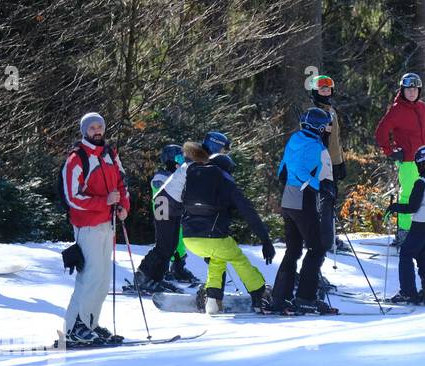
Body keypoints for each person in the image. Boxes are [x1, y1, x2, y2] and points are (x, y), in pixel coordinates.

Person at [60, 113, 131, 346]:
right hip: (87, 225)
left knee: (102, 279)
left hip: (108, 224)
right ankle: (75, 327)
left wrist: (123, 206)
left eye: (100, 126)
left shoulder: (110, 153)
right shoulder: (77, 158)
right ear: (84, 131)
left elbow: (121, 183)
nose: (97, 130)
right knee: (89, 276)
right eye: (92, 127)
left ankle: (90, 323)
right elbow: (73, 197)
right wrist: (105, 202)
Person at [178, 144, 276, 312]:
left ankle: (213, 299)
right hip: (214, 239)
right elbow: (249, 214)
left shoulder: (195, 180)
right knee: (238, 258)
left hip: (189, 239)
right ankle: (260, 293)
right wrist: (266, 240)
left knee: (218, 259)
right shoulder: (226, 184)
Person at [269, 107, 337, 315]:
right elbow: (300, 173)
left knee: (294, 250)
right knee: (316, 248)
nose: (328, 128)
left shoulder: (295, 139)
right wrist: (320, 185)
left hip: (288, 200)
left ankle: (280, 297)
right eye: (326, 125)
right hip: (302, 200)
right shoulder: (316, 147)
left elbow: (283, 171)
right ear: (319, 127)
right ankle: (306, 298)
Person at [375, 72, 425, 244]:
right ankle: (404, 232)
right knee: (409, 196)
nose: (411, 92)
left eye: (415, 89)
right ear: (402, 90)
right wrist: (390, 151)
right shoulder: (396, 110)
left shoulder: (422, 108)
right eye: (408, 89)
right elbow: (381, 132)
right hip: (410, 161)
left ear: (419, 90)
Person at [382, 144, 425, 303]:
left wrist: (394, 207)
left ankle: (408, 292)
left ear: (422, 163)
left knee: (406, 255)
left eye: (418, 163)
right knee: (423, 255)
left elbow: (412, 207)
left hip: (421, 224)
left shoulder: (422, 182)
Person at [130, 144, 189, 293]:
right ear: (170, 159)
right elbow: (162, 194)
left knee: (171, 246)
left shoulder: (174, 175)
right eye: (179, 158)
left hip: (174, 213)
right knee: (164, 246)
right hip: (164, 214)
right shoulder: (162, 176)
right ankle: (143, 276)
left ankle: (156, 278)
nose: (181, 162)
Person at [308, 74, 348, 253]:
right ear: (315, 91)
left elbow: (336, 140)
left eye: (328, 88)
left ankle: (329, 234)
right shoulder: (314, 111)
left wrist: (340, 162)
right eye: (322, 89)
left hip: (333, 161)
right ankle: (323, 237)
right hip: (320, 163)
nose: (325, 91)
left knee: (331, 200)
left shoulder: (331, 110)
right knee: (323, 201)